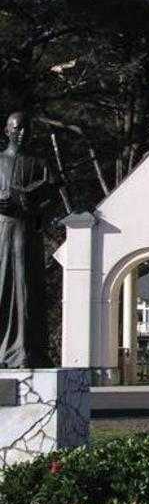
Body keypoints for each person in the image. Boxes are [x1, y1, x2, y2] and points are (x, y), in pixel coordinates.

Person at [0, 112, 50, 367]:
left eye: (26, 129)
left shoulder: (39, 164)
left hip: (26, 232)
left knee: (26, 288)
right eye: (17, 128)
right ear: (7, 130)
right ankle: (3, 350)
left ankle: (26, 349)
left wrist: (35, 206)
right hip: (2, 232)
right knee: (3, 286)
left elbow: (47, 202)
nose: (22, 133)